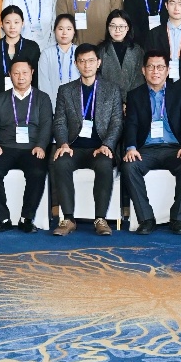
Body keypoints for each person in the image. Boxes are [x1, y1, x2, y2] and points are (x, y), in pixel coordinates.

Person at [51, 43, 123, 236]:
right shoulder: (66, 90)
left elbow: (117, 122)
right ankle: (68, 219)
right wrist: (63, 144)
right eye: (82, 61)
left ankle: (100, 219)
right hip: (73, 147)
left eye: (91, 61)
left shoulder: (112, 90)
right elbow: (59, 121)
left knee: (104, 164)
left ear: (98, 62)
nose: (86, 65)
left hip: (99, 148)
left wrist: (108, 145)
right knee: (61, 162)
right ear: (76, 64)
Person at [122, 51, 181, 235]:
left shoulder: (179, 93)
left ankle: (177, 219)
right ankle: (146, 219)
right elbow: (131, 124)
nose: (155, 71)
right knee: (129, 166)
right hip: (146, 149)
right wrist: (131, 147)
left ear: (167, 70)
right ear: (143, 70)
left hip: (174, 149)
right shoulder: (135, 95)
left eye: (160, 67)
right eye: (151, 67)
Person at [0, 60, 53, 233]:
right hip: (5, 147)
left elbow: (47, 125)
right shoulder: (0, 99)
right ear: (10, 75)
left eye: (25, 73)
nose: (21, 77)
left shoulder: (42, 98)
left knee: (37, 172)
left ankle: (26, 218)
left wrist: (41, 145)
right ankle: (3, 218)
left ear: (32, 73)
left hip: (32, 148)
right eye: (16, 73)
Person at [0, 7, 42, 94]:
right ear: (1, 24)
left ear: (22, 23)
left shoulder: (32, 47)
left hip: (25, 97)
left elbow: (35, 78)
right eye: (7, 22)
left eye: (16, 22)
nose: (12, 26)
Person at [98, 10, 146, 97]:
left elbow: (139, 78)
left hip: (134, 98)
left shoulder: (137, 50)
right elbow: (98, 79)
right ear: (108, 27)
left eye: (121, 26)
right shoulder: (100, 50)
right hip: (108, 98)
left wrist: (130, 99)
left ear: (128, 28)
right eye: (113, 26)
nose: (117, 30)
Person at [37, 14, 79, 101]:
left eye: (69, 29)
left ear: (74, 31)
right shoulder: (46, 54)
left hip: (77, 102)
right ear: (54, 31)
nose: (64, 33)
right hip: (53, 103)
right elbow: (43, 83)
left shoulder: (80, 52)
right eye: (60, 29)